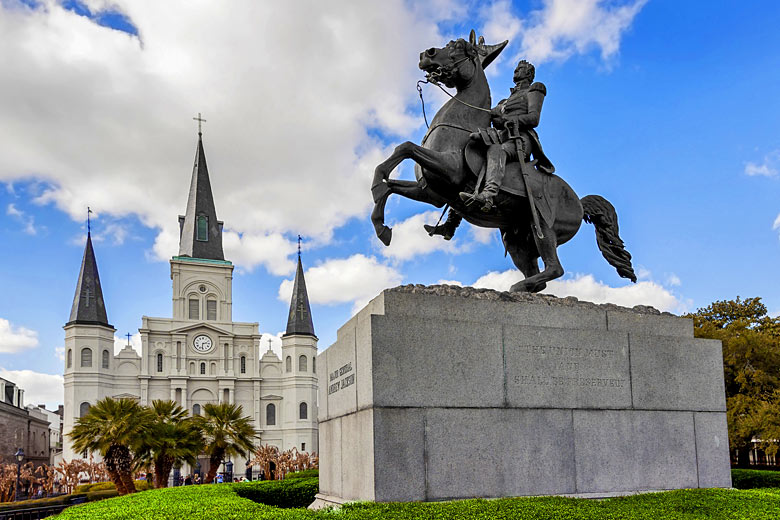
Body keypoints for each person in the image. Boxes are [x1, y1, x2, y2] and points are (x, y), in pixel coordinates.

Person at [459, 59, 554, 212]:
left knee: (497, 151)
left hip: (520, 140)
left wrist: (507, 119)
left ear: (529, 73)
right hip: (501, 136)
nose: (516, 70)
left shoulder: (534, 89)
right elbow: (492, 117)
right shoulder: (505, 100)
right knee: (471, 153)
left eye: (521, 68)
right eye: (515, 68)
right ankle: (451, 223)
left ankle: (488, 195)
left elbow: (533, 118)